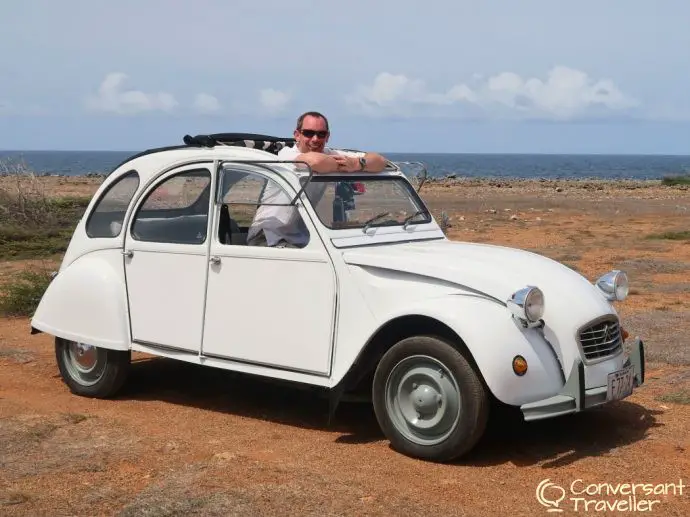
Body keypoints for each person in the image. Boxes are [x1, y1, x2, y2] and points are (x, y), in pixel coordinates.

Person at [246, 112, 388, 247]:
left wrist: (357, 164)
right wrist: (346, 165)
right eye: (308, 133)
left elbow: (380, 161)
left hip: (301, 237)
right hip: (268, 236)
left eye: (321, 134)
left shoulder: (328, 154)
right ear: (297, 135)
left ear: (327, 137)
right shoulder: (287, 155)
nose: (315, 139)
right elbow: (313, 162)